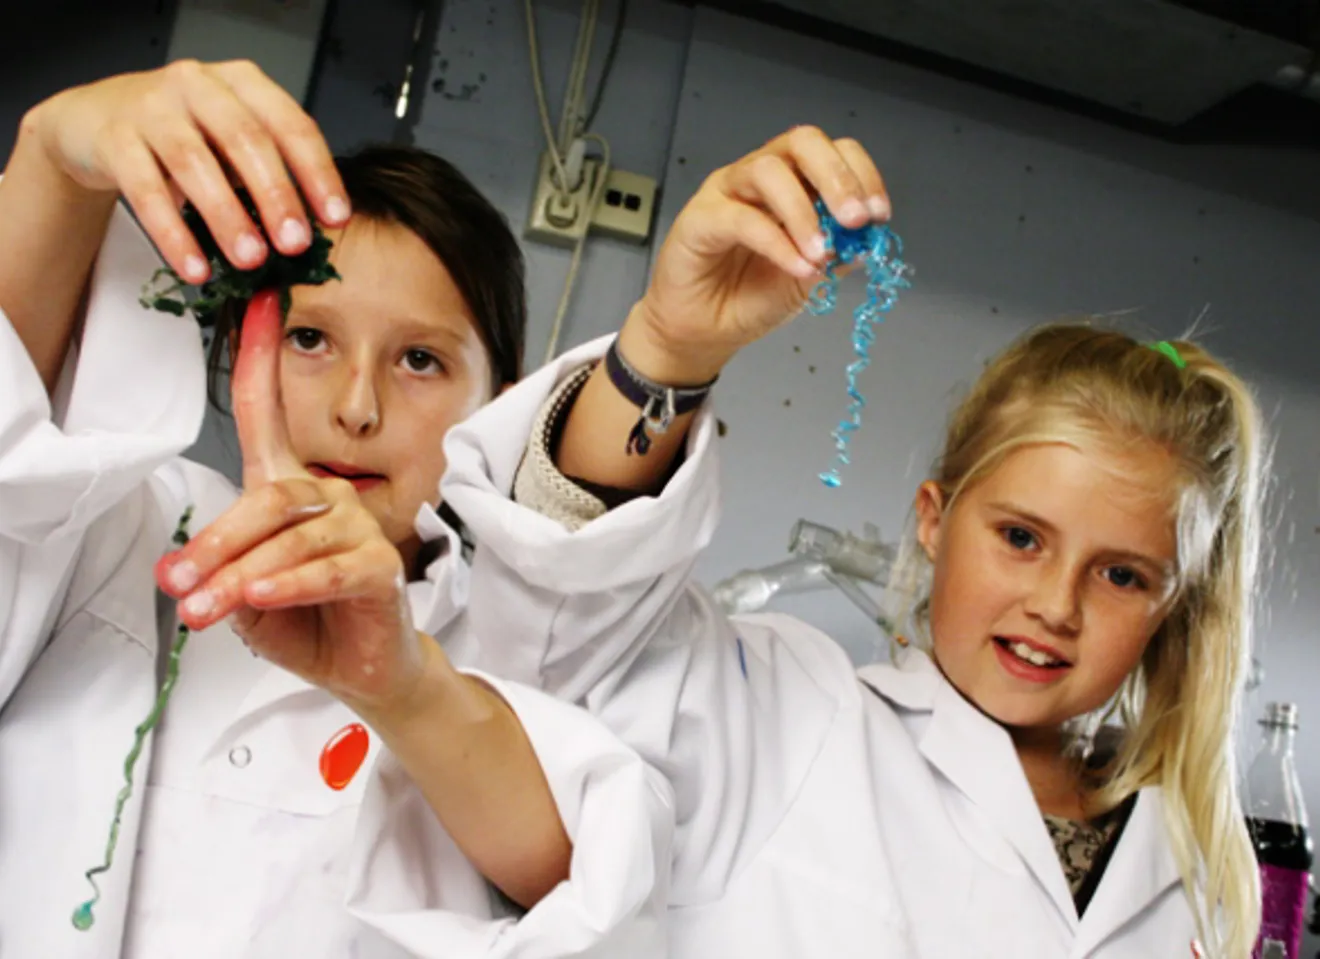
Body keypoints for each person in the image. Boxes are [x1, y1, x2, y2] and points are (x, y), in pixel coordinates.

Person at [436, 126, 1268, 957]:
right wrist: (666, 348)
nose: (1056, 605)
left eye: (1122, 575)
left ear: (1175, 603)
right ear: (934, 520)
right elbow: (568, 636)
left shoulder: (1196, 861)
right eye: (1021, 537)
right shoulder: (786, 717)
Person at [0, 60, 669, 957]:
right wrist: (51, 158)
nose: (357, 408)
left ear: (499, 408)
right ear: (241, 347)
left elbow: (601, 888)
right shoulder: (129, 531)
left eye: (420, 360)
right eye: (311, 338)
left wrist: (404, 687)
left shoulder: (516, 641)